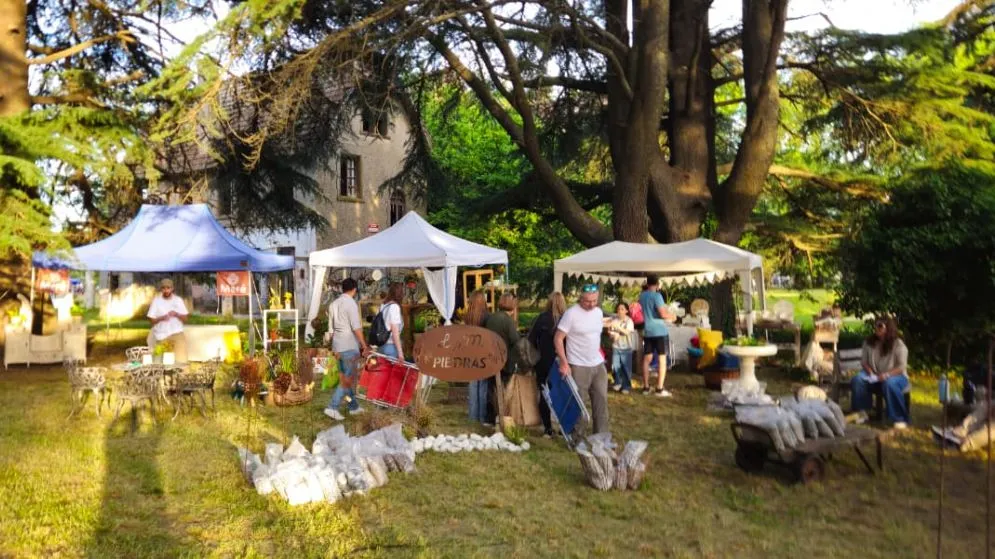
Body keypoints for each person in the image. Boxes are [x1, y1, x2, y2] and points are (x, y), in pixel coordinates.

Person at [554, 284, 609, 434]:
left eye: (594, 301)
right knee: (579, 403)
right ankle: (577, 437)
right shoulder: (571, 314)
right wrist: (564, 362)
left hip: (598, 364)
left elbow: (594, 335)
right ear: (580, 298)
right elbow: (558, 338)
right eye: (587, 301)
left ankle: (601, 436)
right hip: (578, 365)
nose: (591, 304)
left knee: (601, 401)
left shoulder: (598, 312)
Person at [850, 317, 911, 428]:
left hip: (896, 375)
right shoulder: (869, 342)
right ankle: (861, 413)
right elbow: (864, 362)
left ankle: (899, 418)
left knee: (890, 383)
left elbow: (901, 367)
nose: (876, 328)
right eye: (875, 325)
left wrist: (886, 375)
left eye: (880, 325)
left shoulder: (898, 344)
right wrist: (871, 373)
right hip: (875, 376)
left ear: (888, 328)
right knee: (858, 379)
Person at [323, 278, 368, 421]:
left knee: (346, 379)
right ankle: (332, 407)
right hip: (349, 346)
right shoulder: (351, 303)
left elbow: (330, 330)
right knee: (347, 380)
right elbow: (356, 327)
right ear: (354, 289)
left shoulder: (333, 304)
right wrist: (364, 345)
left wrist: (332, 347)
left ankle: (353, 407)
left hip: (337, 346)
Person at [529, 292, 566, 437]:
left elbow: (531, 339)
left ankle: (548, 428)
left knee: (544, 394)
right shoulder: (566, 319)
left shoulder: (542, 318)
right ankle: (564, 427)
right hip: (562, 362)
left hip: (543, 361)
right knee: (562, 395)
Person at [484, 293, 520, 424]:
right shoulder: (507, 321)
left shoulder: (491, 317)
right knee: (504, 391)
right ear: (512, 305)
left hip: (490, 358)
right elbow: (515, 340)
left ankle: (489, 418)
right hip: (504, 361)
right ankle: (503, 417)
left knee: (491, 390)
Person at [639, 275, 676, 397]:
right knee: (662, 359)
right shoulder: (657, 296)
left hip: (647, 330)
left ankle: (646, 387)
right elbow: (663, 314)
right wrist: (673, 316)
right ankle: (659, 389)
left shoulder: (642, 296)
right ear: (657, 284)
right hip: (659, 331)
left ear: (647, 283)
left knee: (647, 359)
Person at [464, 290, 492, 424]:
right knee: (483, 386)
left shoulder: (468, 316)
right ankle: (482, 417)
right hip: (483, 353)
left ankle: (472, 416)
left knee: (473, 385)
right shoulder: (487, 317)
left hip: (470, 353)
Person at [146, 278, 188, 362]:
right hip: (162, 335)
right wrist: (161, 318)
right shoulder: (156, 301)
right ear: (161, 289)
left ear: (172, 288)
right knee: (158, 362)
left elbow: (185, 319)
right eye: (164, 288)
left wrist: (176, 314)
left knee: (181, 362)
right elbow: (151, 320)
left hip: (177, 334)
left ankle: (181, 369)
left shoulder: (178, 300)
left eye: (168, 288)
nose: (166, 290)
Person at [609, 302, 636, 393]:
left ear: (626, 311)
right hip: (616, 346)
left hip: (626, 348)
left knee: (626, 368)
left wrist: (618, 328)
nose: (620, 311)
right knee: (615, 366)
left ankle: (626, 387)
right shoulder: (614, 320)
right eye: (618, 309)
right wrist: (612, 335)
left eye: (622, 309)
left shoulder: (629, 321)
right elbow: (611, 332)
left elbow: (627, 332)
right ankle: (618, 382)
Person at [378, 282, 405, 362]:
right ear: (400, 294)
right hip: (391, 347)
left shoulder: (383, 306)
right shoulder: (394, 307)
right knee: (392, 370)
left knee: (383, 369)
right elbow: (395, 332)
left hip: (381, 346)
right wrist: (400, 353)